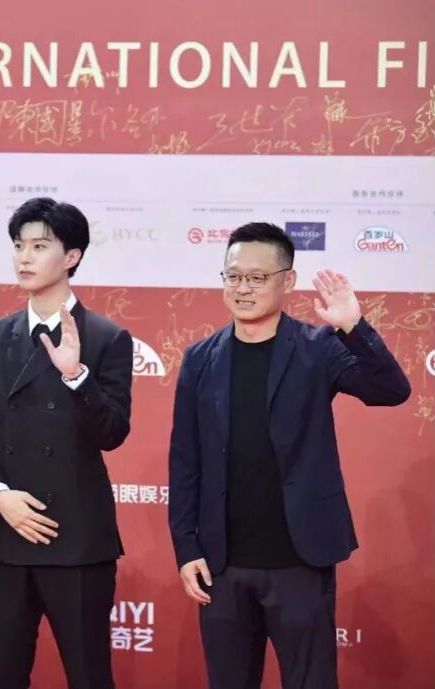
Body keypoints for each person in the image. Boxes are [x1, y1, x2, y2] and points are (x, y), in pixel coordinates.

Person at [168, 223, 411, 689]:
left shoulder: (318, 348)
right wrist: (187, 547)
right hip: (222, 564)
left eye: (257, 277)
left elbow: (392, 390)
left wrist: (353, 326)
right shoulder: (200, 358)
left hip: (300, 559)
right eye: (233, 276)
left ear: (288, 281)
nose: (243, 288)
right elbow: (185, 461)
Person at [0, 197, 133, 689]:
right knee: (3, 676)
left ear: (71, 256)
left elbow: (113, 433)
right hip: (6, 535)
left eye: (39, 246)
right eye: (19, 246)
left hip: (76, 539)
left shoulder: (106, 337)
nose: (24, 258)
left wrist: (77, 377)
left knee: (89, 675)